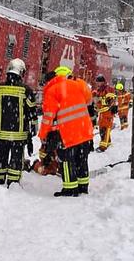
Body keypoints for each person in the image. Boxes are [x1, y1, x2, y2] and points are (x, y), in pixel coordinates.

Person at [39, 66, 94, 197]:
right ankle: (82, 187)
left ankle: (70, 189)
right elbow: (88, 100)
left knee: (67, 160)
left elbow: (48, 116)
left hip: (68, 133)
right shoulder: (78, 85)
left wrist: (42, 134)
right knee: (82, 159)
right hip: (84, 130)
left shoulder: (53, 90)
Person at [0, 58, 37, 187]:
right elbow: (32, 112)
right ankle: (13, 182)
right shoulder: (26, 91)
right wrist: (33, 129)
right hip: (18, 134)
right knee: (16, 158)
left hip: (1, 132)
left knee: (0, 156)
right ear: (21, 73)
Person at [93, 75, 118, 152]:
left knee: (105, 128)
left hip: (108, 112)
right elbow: (98, 101)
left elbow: (112, 100)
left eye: (99, 82)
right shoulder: (99, 90)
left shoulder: (108, 89)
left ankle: (103, 146)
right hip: (102, 112)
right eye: (97, 82)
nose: (97, 84)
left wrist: (111, 106)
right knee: (101, 128)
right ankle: (108, 142)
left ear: (103, 82)